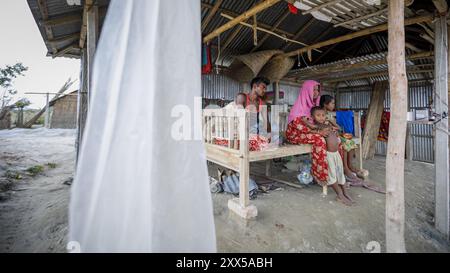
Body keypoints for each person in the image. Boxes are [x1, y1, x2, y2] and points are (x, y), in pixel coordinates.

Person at [286, 80, 337, 186]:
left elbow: (318, 122)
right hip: (295, 135)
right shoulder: (298, 107)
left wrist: (328, 128)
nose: (316, 92)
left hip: (309, 133)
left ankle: (334, 171)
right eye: (313, 90)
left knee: (333, 137)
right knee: (320, 140)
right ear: (306, 90)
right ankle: (319, 175)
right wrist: (319, 132)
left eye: (318, 90)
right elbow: (300, 127)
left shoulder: (314, 106)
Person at [310, 107, 353, 206]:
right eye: (318, 115)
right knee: (332, 175)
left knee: (340, 173)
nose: (321, 117)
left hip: (336, 154)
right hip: (328, 155)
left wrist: (331, 121)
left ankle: (345, 192)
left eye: (323, 115)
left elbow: (339, 128)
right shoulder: (316, 126)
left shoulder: (328, 125)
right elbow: (310, 131)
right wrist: (318, 132)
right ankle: (340, 194)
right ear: (313, 117)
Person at [320, 95, 363, 182]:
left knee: (349, 141)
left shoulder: (328, 115)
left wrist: (333, 124)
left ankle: (349, 166)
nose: (333, 105)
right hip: (325, 135)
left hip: (332, 134)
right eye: (332, 103)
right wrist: (332, 127)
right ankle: (345, 169)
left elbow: (338, 128)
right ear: (325, 104)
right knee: (344, 143)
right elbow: (320, 126)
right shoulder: (321, 114)